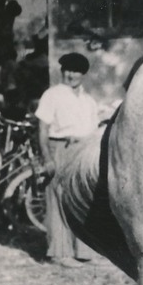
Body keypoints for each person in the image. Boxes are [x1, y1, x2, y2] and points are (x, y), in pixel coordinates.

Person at [35, 52, 100, 266]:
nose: (72, 75)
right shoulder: (52, 95)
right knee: (59, 199)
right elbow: (43, 129)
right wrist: (47, 158)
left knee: (83, 200)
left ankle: (84, 250)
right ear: (62, 71)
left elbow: (93, 130)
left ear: (83, 74)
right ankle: (60, 253)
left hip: (83, 151)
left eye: (77, 71)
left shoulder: (88, 100)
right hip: (60, 147)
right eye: (68, 70)